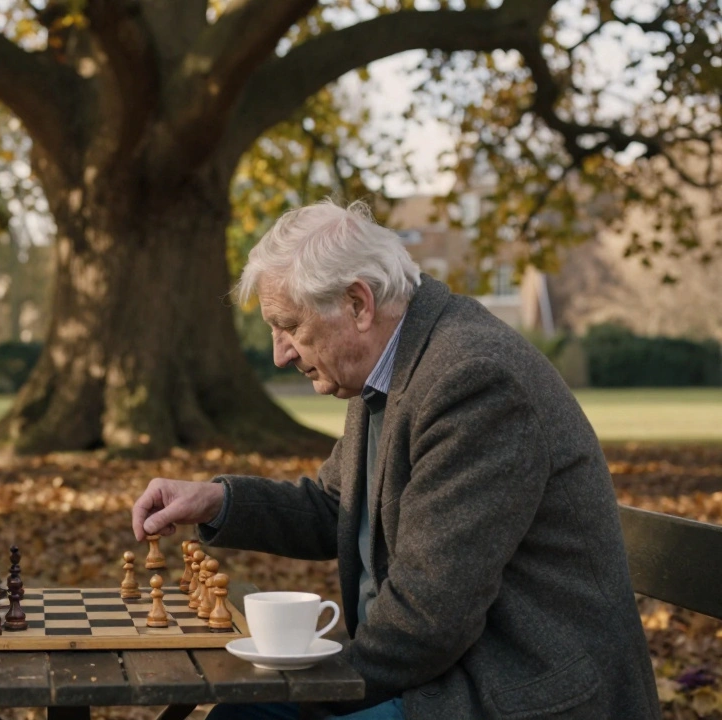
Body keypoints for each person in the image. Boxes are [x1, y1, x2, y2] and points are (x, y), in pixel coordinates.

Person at [131, 200, 658, 719]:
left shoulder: (471, 381)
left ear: (358, 304)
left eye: (289, 326)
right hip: (439, 672)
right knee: (244, 712)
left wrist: (314, 688)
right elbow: (335, 505)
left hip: (512, 688)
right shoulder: (395, 363)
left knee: (250, 713)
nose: (281, 353)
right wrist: (215, 501)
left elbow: (429, 617)